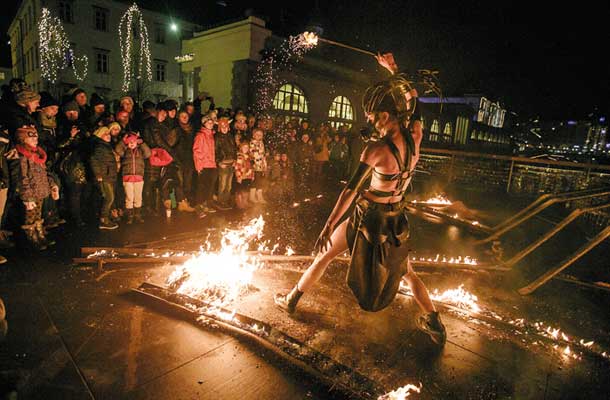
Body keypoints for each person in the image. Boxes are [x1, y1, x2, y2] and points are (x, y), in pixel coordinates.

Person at [274, 53, 447, 346]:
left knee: (325, 254)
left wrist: (329, 224)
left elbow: (350, 191)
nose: (371, 123)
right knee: (407, 273)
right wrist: (394, 70)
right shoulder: (415, 136)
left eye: (372, 117)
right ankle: (435, 323)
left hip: (369, 219)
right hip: (395, 219)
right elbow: (414, 102)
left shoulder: (376, 150)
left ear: (384, 115)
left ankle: (291, 300)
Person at [8, 126, 60, 250]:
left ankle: (40, 234)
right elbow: (23, 177)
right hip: (31, 193)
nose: (35, 141)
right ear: (23, 140)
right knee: (30, 216)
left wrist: (52, 184)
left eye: (36, 138)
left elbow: (44, 172)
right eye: (32, 139)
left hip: (40, 191)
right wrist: (27, 196)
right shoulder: (23, 156)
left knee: (38, 215)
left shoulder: (37, 154)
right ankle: (31, 238)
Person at [115, 132, 151, 224]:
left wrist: (142, 143)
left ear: (137, 142)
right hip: (127, 177)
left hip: (138, 177)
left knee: (138, 197)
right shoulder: (125, 151)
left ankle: (137, 215)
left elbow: (148, 153)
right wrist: (123, 141)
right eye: (129, 141)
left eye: (133, 141)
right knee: (129, 197)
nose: (131, 143)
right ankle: (130, 216)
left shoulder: (140, 151)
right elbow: (118, 149)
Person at [90, 126, 119, 230]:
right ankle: (104, 220)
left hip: (108, 176)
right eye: (105, 134)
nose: (108, 135)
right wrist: (98, 174)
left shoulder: (105, 146)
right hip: (105, 177)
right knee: (109, 197)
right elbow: (94, 160)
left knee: (109, 197)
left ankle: (107, 217)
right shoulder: (99, 147)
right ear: (100, 136)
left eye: (108, 133)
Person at [215, 116, 236, 210]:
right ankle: (220, 201)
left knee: (229, 185)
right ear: (219, 127)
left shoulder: (230, 136)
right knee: (222, 184)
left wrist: (235, 160)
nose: (224, 129)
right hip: (223, 164)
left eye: (226, 126)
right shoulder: (217, 137)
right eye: (222, 127)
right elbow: (215, 151)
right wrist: (219, 162)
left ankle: (226, 201)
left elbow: (234, 148)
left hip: (231, 163)